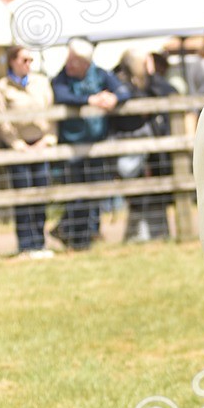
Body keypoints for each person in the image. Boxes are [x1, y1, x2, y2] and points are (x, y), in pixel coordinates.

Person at [51, 38, 132, 250]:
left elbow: (124, 91)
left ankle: (80, 237)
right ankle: (75, 236)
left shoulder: (101, 74)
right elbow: (60, 95)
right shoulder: (62, 78)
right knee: (78, 195)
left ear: (85, 63)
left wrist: (114, 99)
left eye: (73, 61)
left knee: (94, 193)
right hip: (72, 146)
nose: (68, 65)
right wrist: (90, 100)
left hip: (97, 145)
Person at [0, 45, 57, 257]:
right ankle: (26, 244)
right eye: (24, 60)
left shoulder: (41, 82)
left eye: (31, 60)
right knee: (22, 195)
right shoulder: (2, 87)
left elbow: (52, 113)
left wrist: (47, 140)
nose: (28, 64)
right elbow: (0, 120)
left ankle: (40, 243)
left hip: (41, 145)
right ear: (12, 61)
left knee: (40, 194)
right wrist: (17, 145)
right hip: (18, 148)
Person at [111, 48, 177, 242]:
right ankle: (137, 235)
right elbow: (134, 100)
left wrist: (151, 74)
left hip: (153, 149)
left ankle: (158, 233)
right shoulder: (119, 80)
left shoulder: (151, 82)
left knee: (158, 191)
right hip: (129, 145)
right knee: (136, 194)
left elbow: (171, 92)